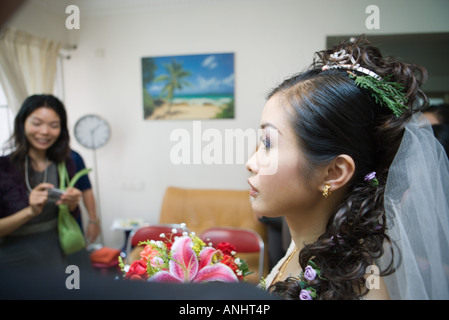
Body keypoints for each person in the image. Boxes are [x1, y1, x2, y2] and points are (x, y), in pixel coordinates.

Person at [246, 35, 449, 300]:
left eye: (269, 144)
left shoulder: (360, 291)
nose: (251, 163)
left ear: (334, 172)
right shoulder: (301, 248)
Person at [0, 94, 97, 270]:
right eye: (37, 123)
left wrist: (73, 205)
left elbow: (77, 202)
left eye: (54, 125)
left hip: (59, 253)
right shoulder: (3, 168)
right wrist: (30, 211)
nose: (45, 131)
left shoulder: (67, 163)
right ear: (22, 123)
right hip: (13, 260)